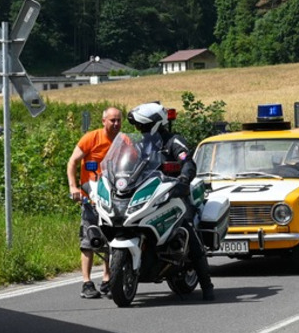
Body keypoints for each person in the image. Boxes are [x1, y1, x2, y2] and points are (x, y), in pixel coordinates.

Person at [127, 102, 215, 301]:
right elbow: (129, 166)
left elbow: (188, 162)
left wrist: (184, 178)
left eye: (143, 125)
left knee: (189, 230)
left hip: (175, 194)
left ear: (157, 124)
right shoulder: (140, 145)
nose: (140, 129)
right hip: (148, 195)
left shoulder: (174, 142)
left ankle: (207, 285)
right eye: (139, 126)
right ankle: (111, 279)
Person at [66, 107, 121, 299]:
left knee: (112, 240)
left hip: (115, 199)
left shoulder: (124, 141)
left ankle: (108, 280)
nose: (115, 124)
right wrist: (74, 187)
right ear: (104, 121)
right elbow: (72, 162)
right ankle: (86, 282)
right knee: (89, 240)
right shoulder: (91, 138)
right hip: (91, 197)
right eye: (112, 120)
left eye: (118, 121)